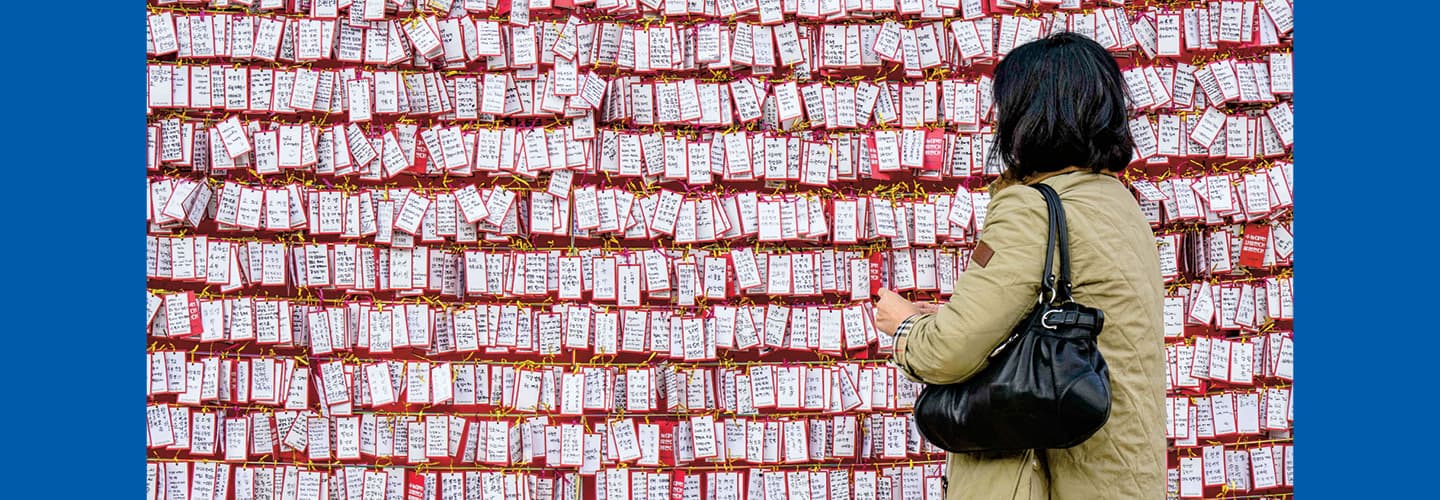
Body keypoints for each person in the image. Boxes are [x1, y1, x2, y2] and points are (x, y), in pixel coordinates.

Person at [872, 33, 1166, 500]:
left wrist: (906, 326)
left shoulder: (1035, 209)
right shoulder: (1121, 207)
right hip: (1121, 475)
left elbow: (947, 352)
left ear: (1027, 116)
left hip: (1049, 481)